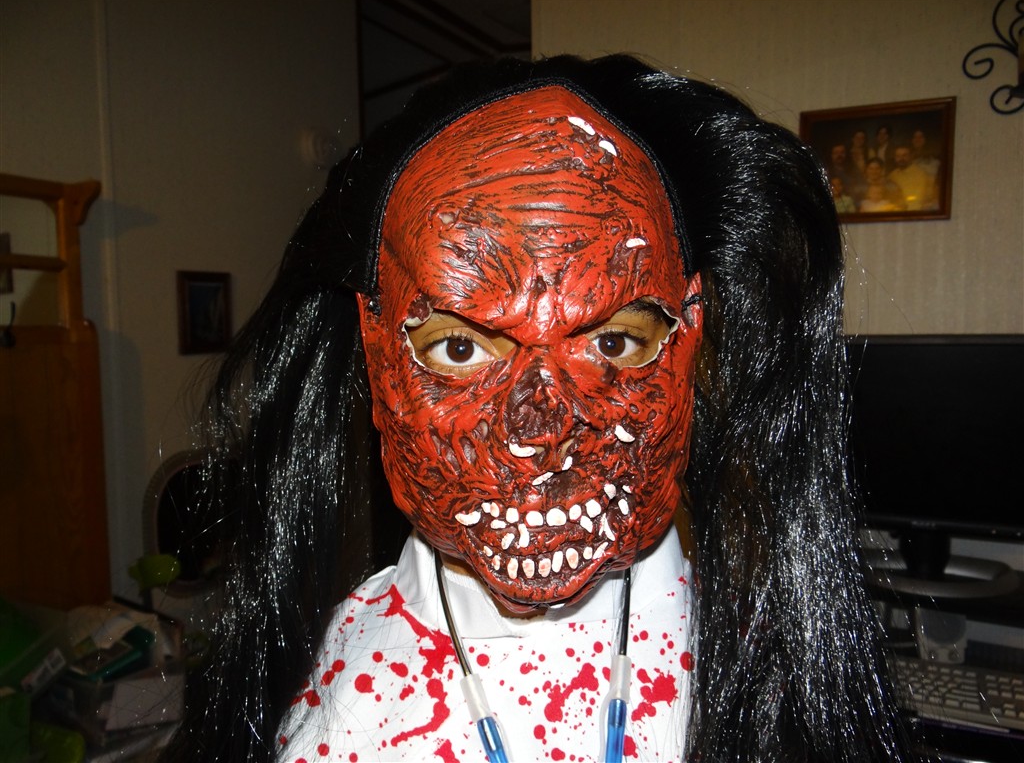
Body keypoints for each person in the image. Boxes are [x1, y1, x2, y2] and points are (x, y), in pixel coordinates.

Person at [162, 55, 911, 762]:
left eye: (613, 342)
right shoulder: (327, 693)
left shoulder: (767, 667)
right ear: (376, 341)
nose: (543, 431)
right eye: (461, 348)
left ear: (689, 332)